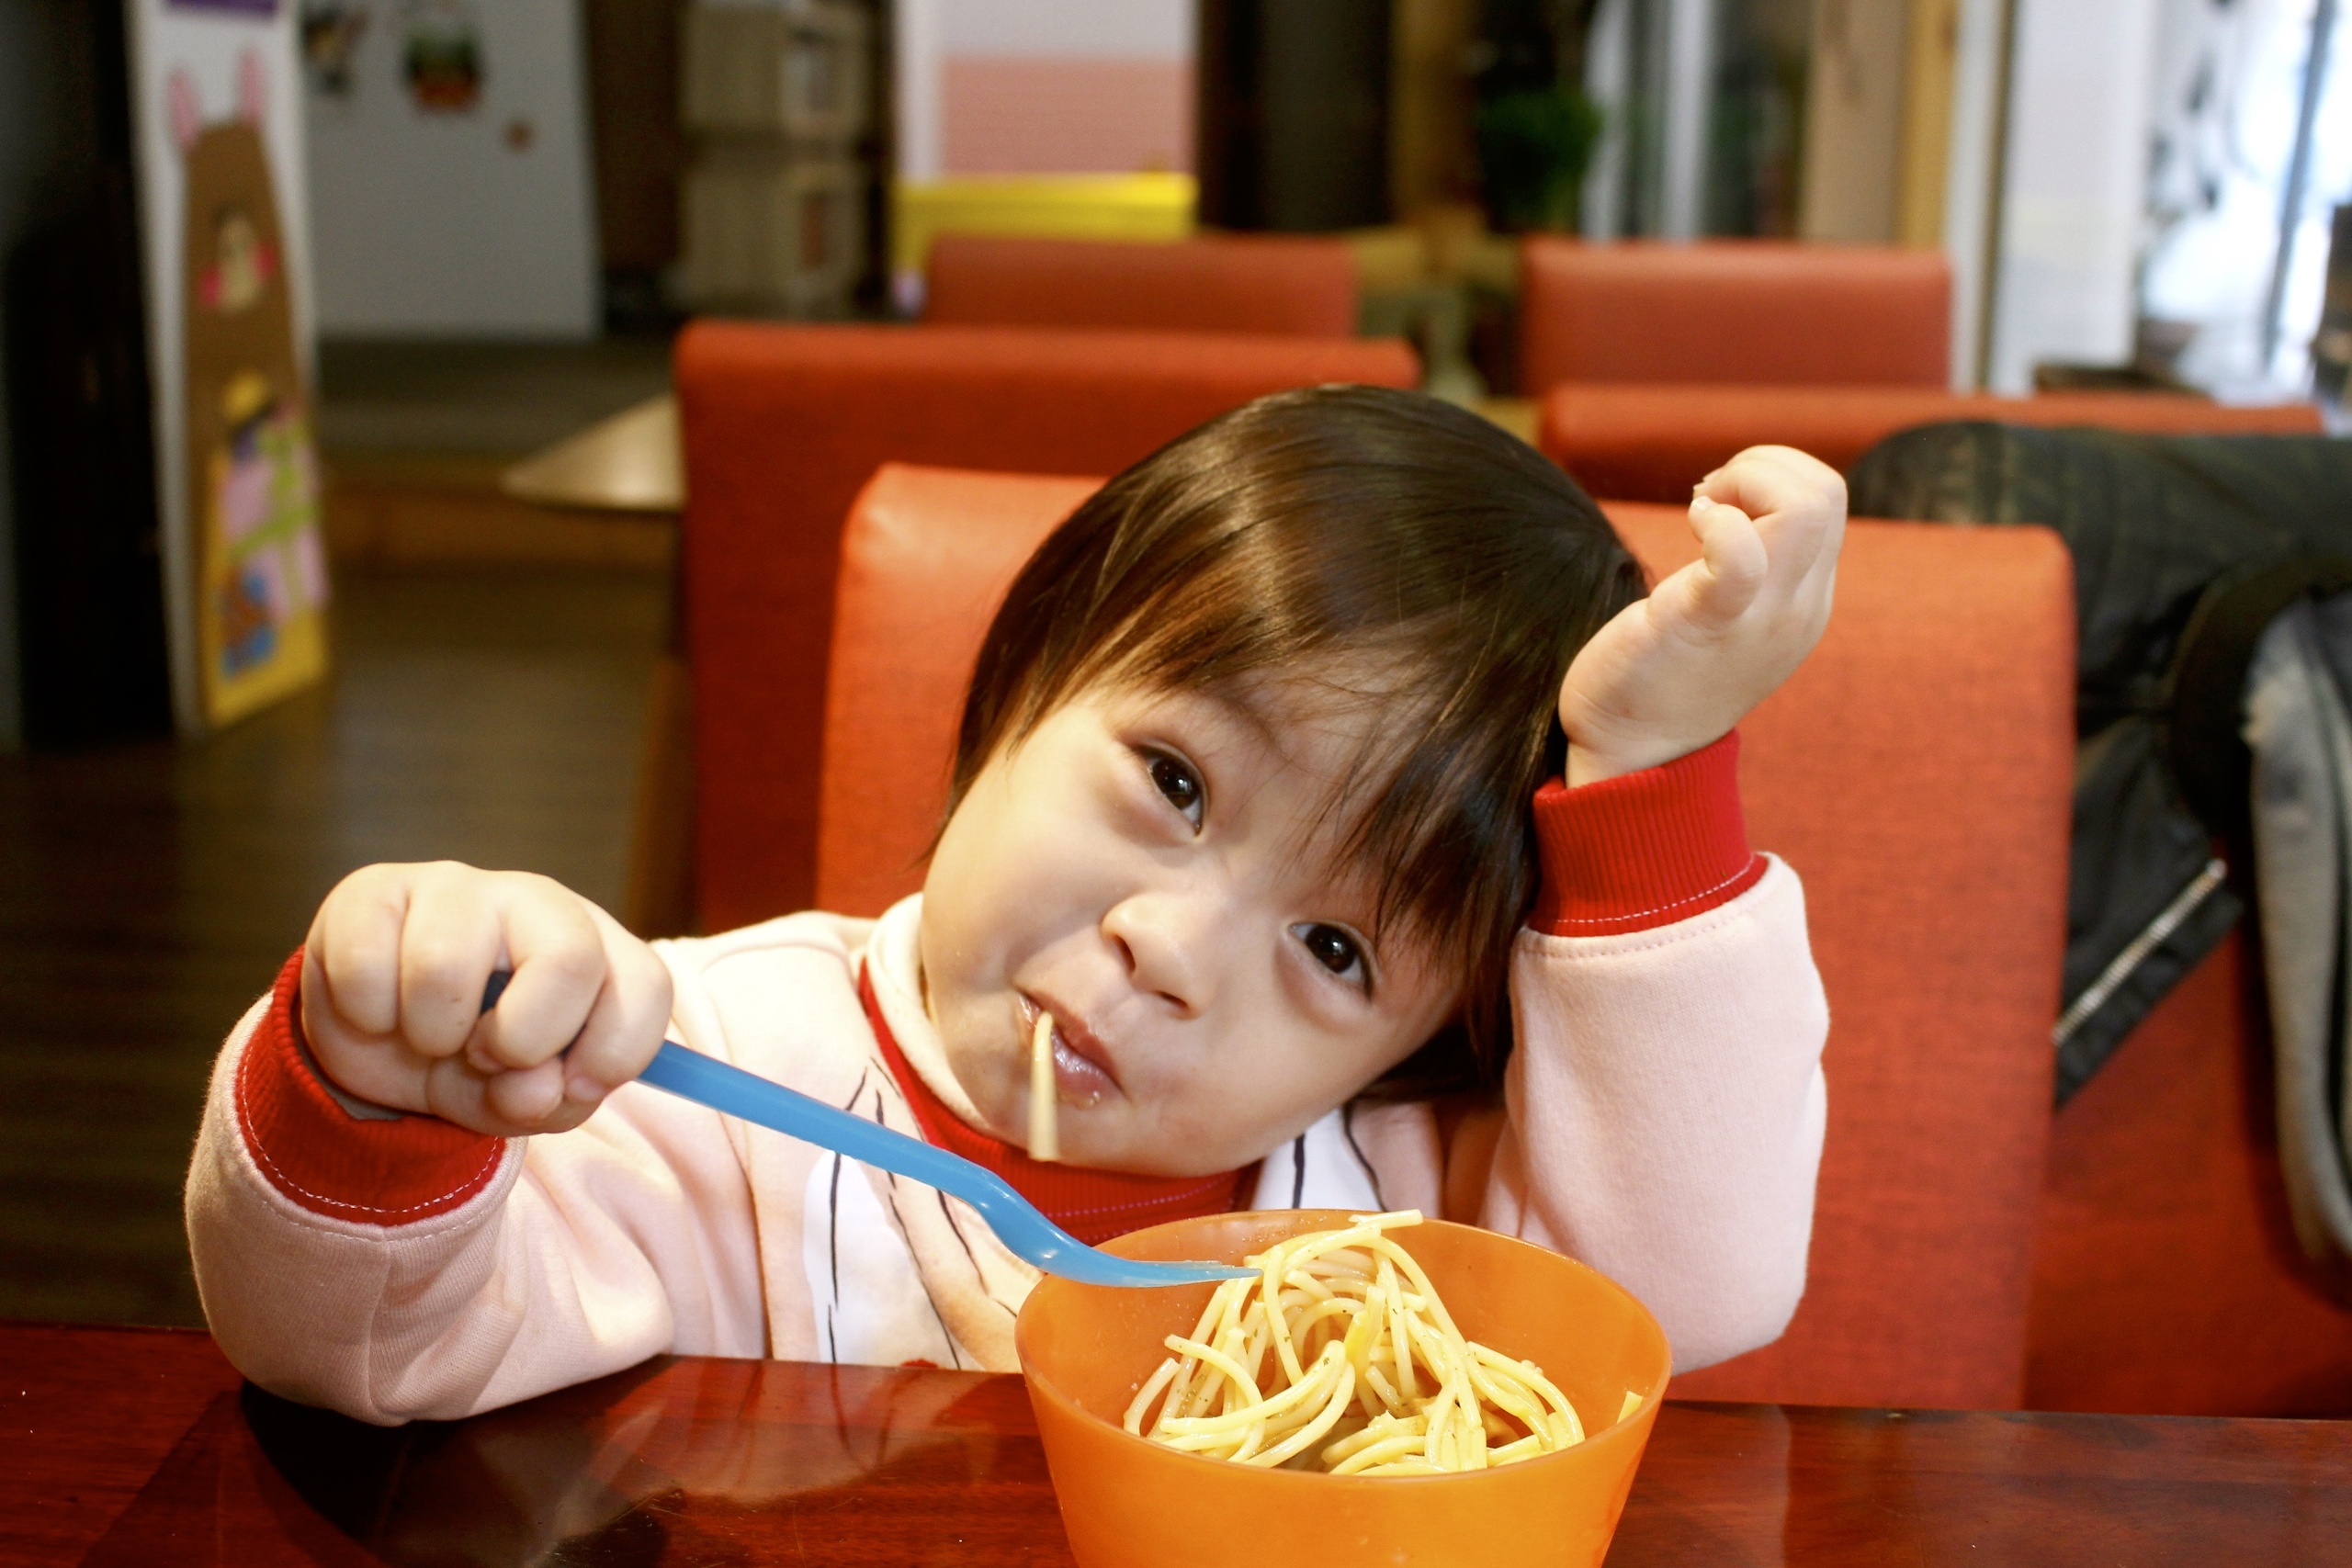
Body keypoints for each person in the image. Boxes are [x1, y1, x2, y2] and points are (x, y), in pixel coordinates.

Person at [185, 387, 1838, 1425]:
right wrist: (381, 1091)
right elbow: (369, 1353)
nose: (1169, 949)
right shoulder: (689, 1072)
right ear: (1021, 689)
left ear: (1412, 1045)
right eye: (1176, 784)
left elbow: (1684, 1289)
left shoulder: (1389, 1210)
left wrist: (1650, 773)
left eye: (1336, 950)